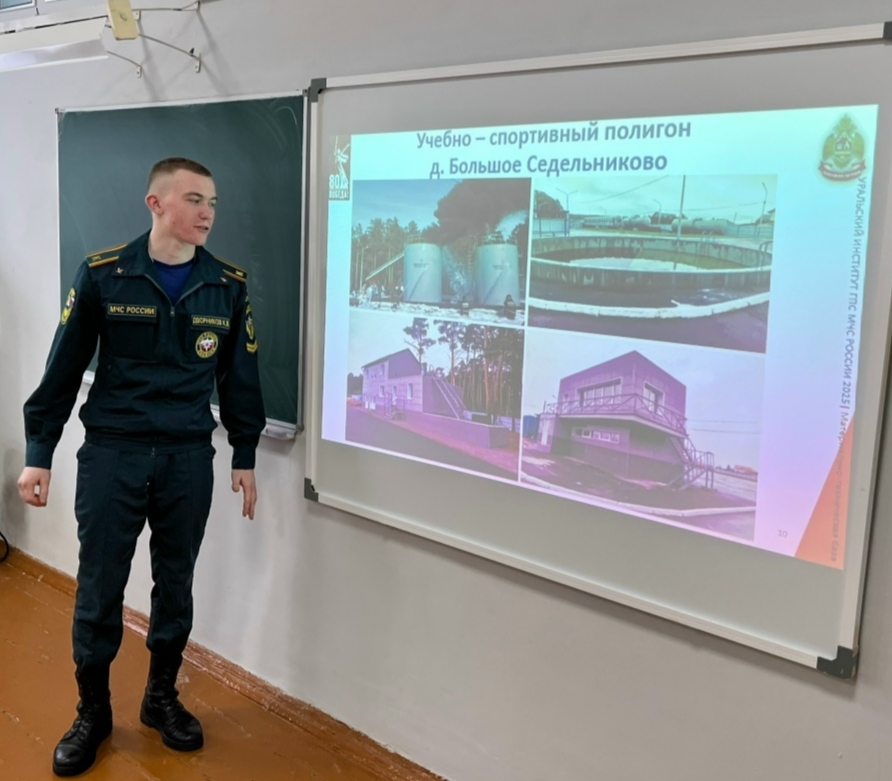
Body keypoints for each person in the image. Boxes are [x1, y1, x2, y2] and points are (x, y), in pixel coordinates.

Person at [18, 158, 265, 776]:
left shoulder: (227, 286)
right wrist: (39, 453)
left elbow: (241, 376)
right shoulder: (105, 275)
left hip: (187, 458)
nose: (208, 212)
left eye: (213, 202)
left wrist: (245, 453)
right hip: (114, 452)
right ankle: (93, 711)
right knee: (99, 586)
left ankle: (160, 698)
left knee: (175, 584)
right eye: (195, 199)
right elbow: (62, 367)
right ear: (156, 204)